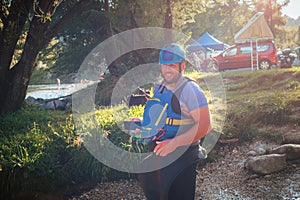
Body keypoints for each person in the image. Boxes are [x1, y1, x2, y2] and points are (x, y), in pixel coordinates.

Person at [137, 43, 211, 200]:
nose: (167, 69)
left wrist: (174, 143)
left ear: (182, 65)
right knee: (150, 180)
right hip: (161, 152)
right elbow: (161, 116)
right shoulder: (160, 87)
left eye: (171, 65)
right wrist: (143, 124)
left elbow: (205, 125)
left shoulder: (191, 90)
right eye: (164, 65)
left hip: (183, 155)